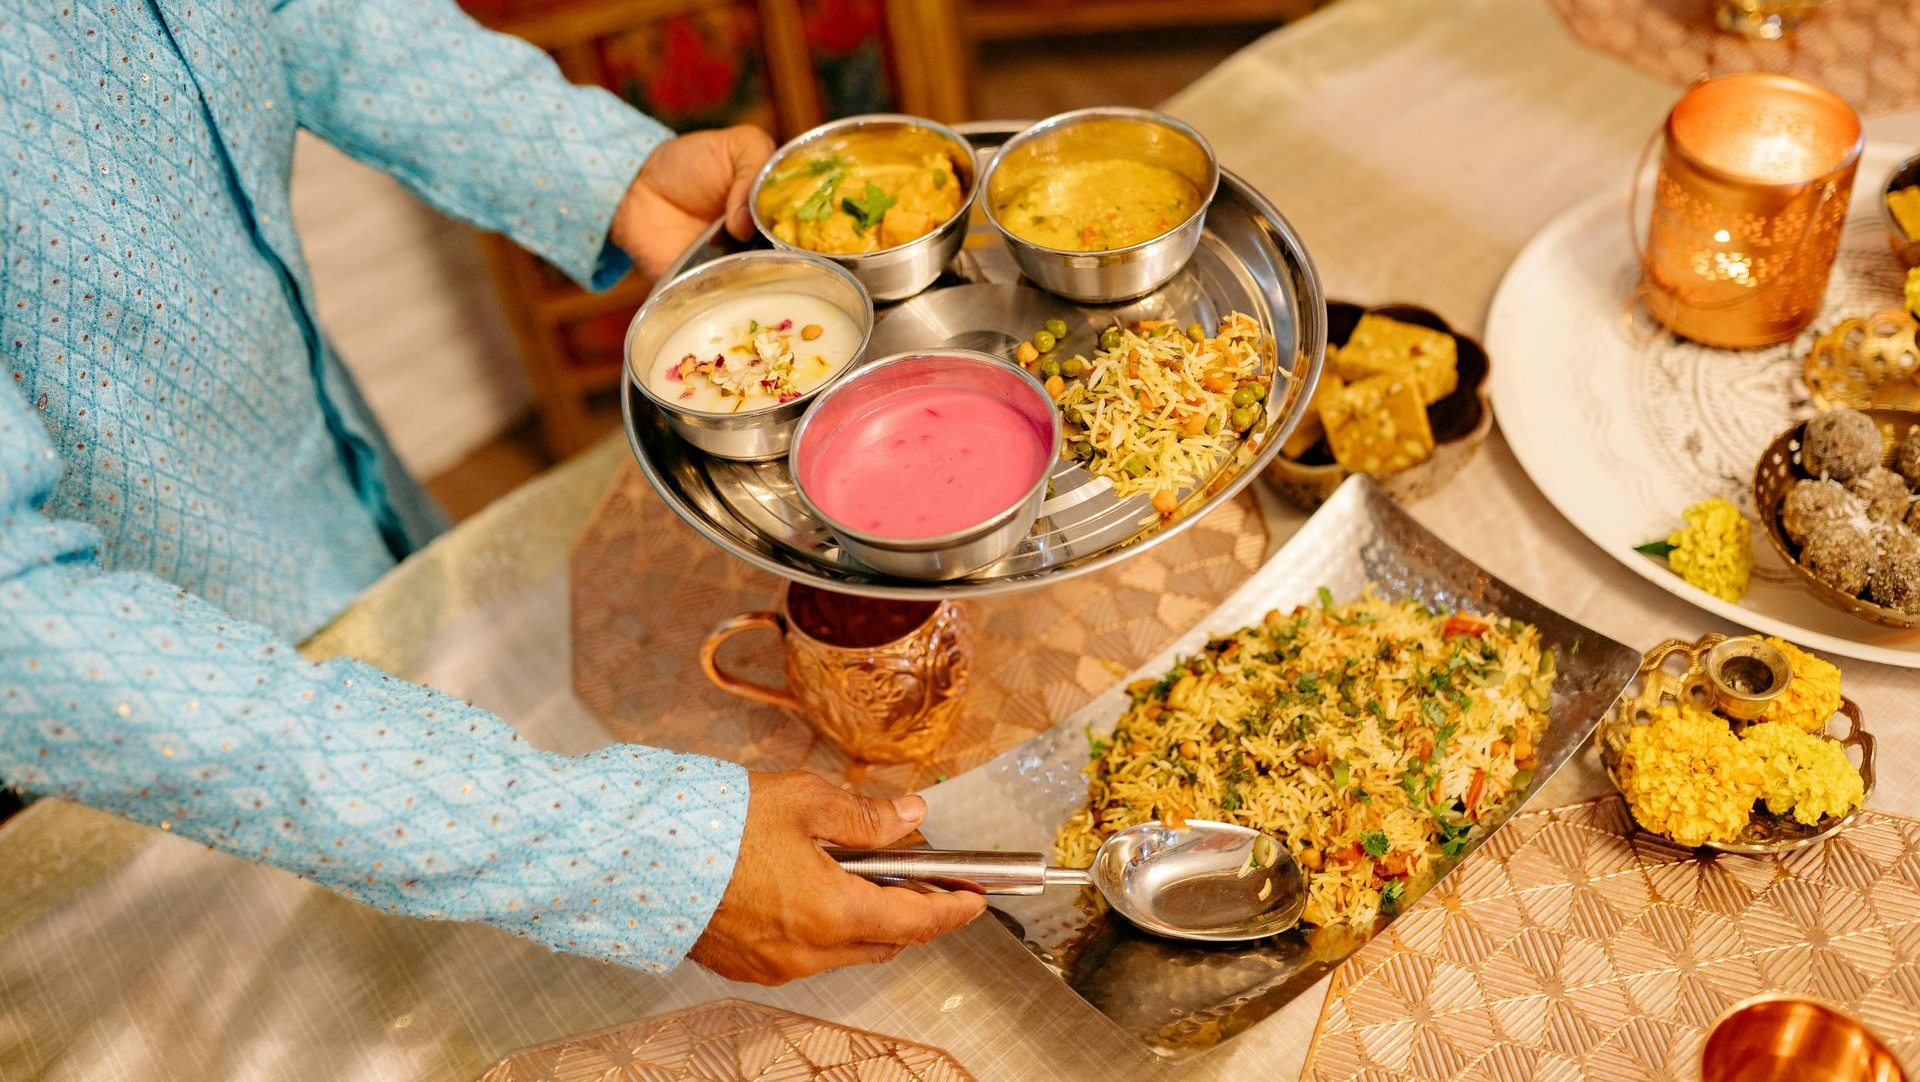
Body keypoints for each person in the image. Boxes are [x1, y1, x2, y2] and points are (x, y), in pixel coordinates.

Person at [0, 0, 983, 985]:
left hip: (339, 507)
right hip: (111, 766)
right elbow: (28, 639)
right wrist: (636, 853)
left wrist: (601, 170)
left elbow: (300, 15)